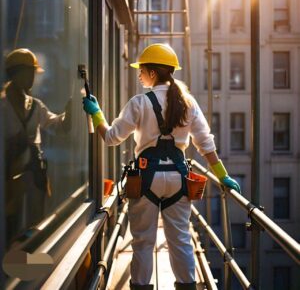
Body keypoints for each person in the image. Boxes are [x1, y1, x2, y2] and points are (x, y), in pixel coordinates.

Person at [82, 43, 240, 290]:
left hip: (146, 178)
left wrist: (96, 113)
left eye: (142, 69)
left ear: (153, 73)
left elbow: (111, 137)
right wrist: (224, 176)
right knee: (180, 241)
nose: (139, 74)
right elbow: (205, 144)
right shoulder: (187, 102)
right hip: (179, 178)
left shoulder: (139, 103)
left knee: (143, 243)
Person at [1, 48, 71, 246]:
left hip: (34, 176)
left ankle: (28, 270)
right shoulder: (3, 106)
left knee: (33, 227)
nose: (33, 77)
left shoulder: (35, 105)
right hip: (9, 177)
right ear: (16, 73)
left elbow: (56, 125)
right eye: (29, 72)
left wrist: (69, 113)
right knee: (11, 228)